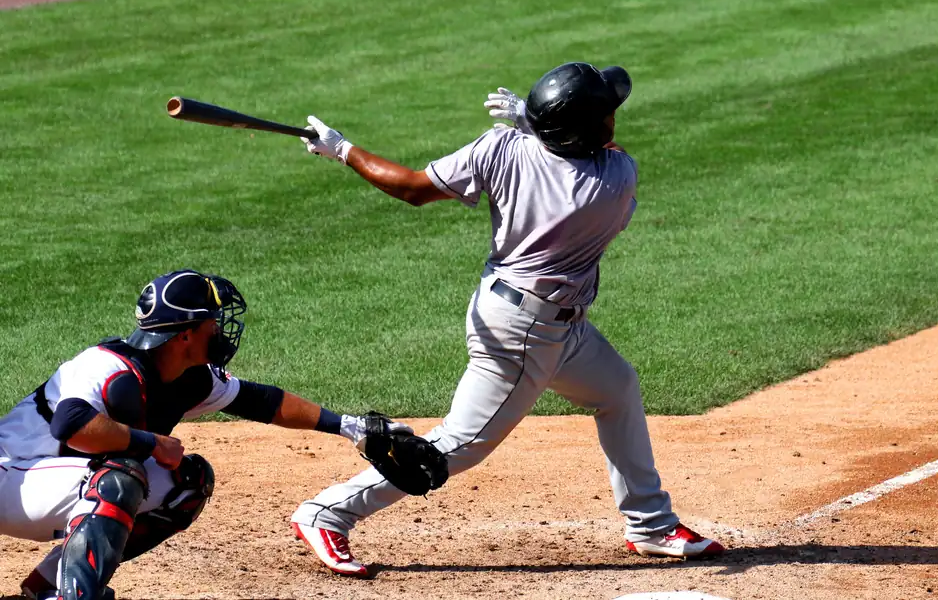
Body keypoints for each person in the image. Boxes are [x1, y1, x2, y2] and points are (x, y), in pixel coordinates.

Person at [290, 62, 725, 578]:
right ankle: (328, 512)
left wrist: (342, 149)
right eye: (608, 111)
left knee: (617, 389)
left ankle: (650, 524)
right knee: (460, 444)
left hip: (539, 321)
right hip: (525, 335)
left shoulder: (500, 148)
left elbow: (412, 187)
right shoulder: (613, 179)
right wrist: (536, 125)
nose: (615, 116)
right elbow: (600, 148)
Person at [0, 269, 403, 599]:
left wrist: (350, 427)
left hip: (53, 485)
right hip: (12, 479)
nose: (220, 329)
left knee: (188, 482)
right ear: (186, 334)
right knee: (121, 477)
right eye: (213, 321)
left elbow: (262, 401)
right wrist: (152, 442)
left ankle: (52, 583)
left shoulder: (189, 376)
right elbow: (71, 425)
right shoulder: (105, 366)